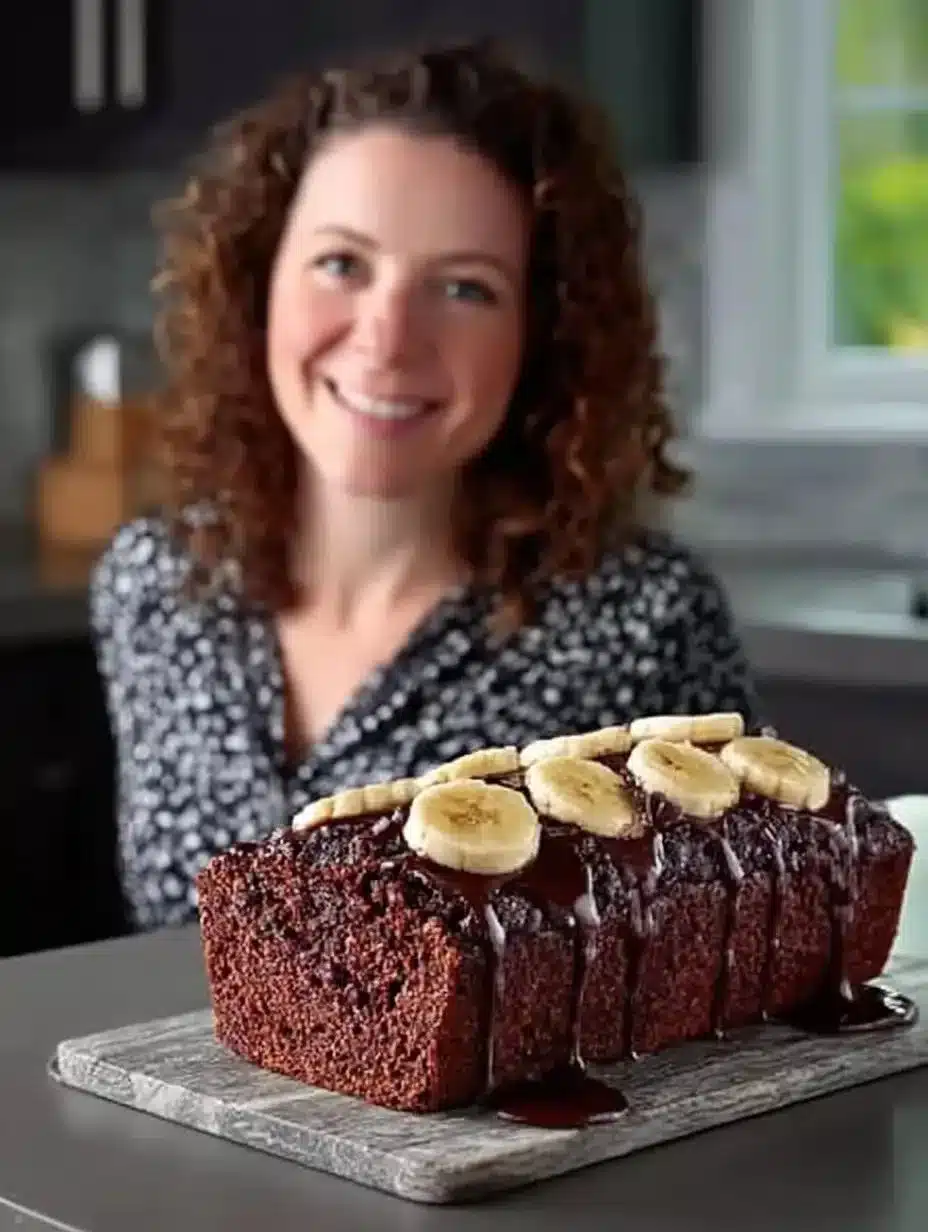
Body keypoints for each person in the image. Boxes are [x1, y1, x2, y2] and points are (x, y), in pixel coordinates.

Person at [90, 40, 758, 932]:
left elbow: (716, 958)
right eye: (342, 264)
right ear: (259, 282)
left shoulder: (643, 619)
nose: (387, 339)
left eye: (464, 288)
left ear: (541, 336)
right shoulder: (154, 585)